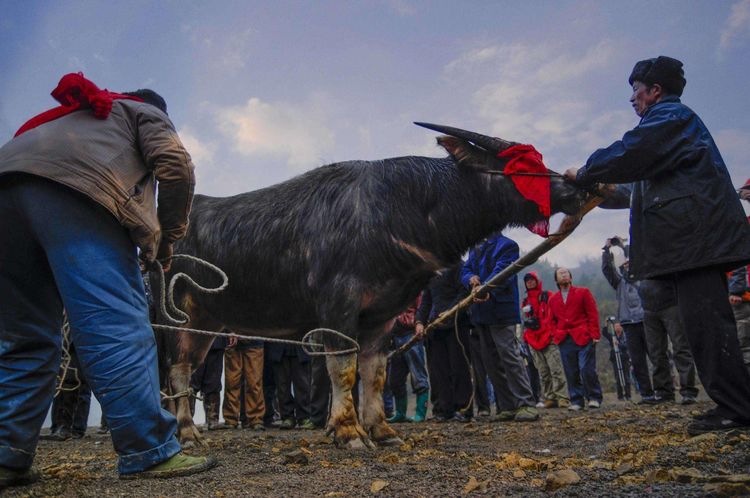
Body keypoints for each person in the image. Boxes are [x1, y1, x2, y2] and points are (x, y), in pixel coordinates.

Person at [0, 73, 216, 488]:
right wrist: (167, 239)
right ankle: (148, 450)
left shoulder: (60, 121)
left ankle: (6, 453)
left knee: (26, 338)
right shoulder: (142, 111)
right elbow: (174, 165)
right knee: (114, 327)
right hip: (79, 194)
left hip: (5, 191)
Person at [565, 56, 750, 434]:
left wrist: (585, 171)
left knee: (708, 326)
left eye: (636, 91)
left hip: (695, 242)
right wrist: (600, 188)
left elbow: (630, 152)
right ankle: (733, 404)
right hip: (688, 245)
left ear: (655, 91)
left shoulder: (669, 119)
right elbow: (635, 189)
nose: (632, 99)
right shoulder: (668, 138)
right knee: (701, 327)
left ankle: (738, 408)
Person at [461, 233, 539, 422]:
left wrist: (486, 288)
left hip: (502, 312)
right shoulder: (475, 247)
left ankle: (526, 403)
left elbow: (502, 272)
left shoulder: (508, 246)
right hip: (481, 314)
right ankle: (507, 406)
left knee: (510, 357)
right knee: (491, 362)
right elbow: (465, 270)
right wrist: (470, 278)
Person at [601, 238, 657, 404]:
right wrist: (607, 250)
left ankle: (662, 390)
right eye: (624, 265)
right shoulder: (619, 283)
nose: (627, 267)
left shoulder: (644, 278)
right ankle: (647, 393)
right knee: (638, 361)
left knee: (657, 357)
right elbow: (607, 270)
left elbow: (639, 259)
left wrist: (624, 247)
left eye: (629, 264)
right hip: (628, 324)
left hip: (647, 321)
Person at [416, 264, 473, 422]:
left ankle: (463, 409)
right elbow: (426, 300)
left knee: (459, 367)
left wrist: (451, 310)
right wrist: (420, 321)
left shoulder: (458, 266)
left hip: (456, 323)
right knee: (438, 370)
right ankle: (442, 409)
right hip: (434, 326)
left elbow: (464, 292)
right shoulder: (430, 272)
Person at [548, 267, 603, 410]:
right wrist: (555, 334)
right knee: (571, 371)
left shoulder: (583, 292)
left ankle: (594, 397)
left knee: (586, 368)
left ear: (571, 278)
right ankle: (576, 400)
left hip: (584, 336)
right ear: (556, 280)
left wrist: (595, 334)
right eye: (561, 273)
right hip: (564, 339)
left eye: (566, 273)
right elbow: (551, 320)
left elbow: (592, 314)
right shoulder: (553, 299)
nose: (564, 275)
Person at [521, 272, 569, 409]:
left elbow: (557, 313)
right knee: (543, 371)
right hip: (533, 339)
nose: (530, 282)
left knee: (556, 369)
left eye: (532, 280)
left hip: (549, 337)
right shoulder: (525, 301)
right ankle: (550, 397)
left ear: (537, 281)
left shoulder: (547, 295)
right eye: (527, 281)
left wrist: (555, 332)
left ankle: (563, 397)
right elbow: (526, 319)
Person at [387, 296, 430, 423]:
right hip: (395, 336)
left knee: (418, 375)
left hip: (411, 334)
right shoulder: (391, 287)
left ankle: (420, 413)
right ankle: (400, 413)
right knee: (394, 379)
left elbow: (422, 306)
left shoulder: (414, 286)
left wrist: (419, 322)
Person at [728, 179, 750, 375]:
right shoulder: (744, 223)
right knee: (744, 343)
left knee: (745, 343)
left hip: (743, 294)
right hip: (744, 294)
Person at [221, 336, 265, 430]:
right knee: (231, 382)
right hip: (232, 341)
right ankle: (231, 419)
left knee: (254, 383)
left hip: (254, 339)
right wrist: (231, 331)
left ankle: (256, 418)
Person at [266, 343, 315, 430]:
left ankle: (304, 416)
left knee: (302, 384)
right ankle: (287, 416)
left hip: (300, 347)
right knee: (282, 385)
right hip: (279, 348)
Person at [189, 336, 228, 430]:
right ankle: (188, 419)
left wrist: (230, 332)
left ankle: (213, 419)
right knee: (193, 383)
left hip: (217, 340)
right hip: (195, 341)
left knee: (214, 381)